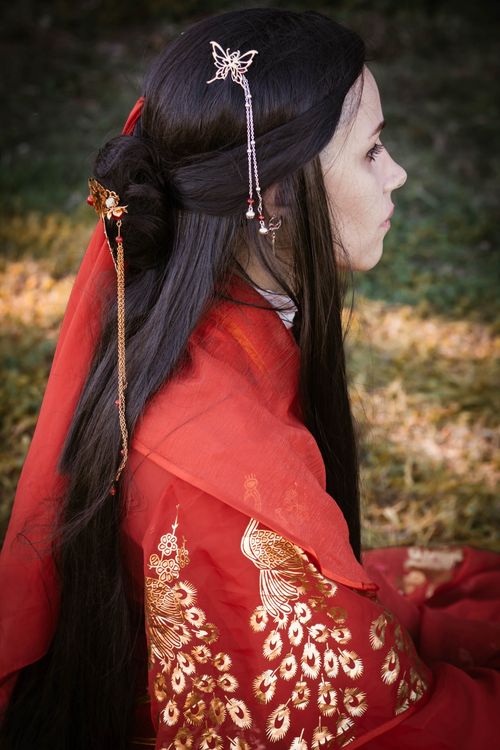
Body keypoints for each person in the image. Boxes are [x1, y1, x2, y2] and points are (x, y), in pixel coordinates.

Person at [0, 7, 498, 750]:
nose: (398, 174)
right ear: (277, 196)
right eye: (372, 151)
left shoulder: (221, 316)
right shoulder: (216, 479)